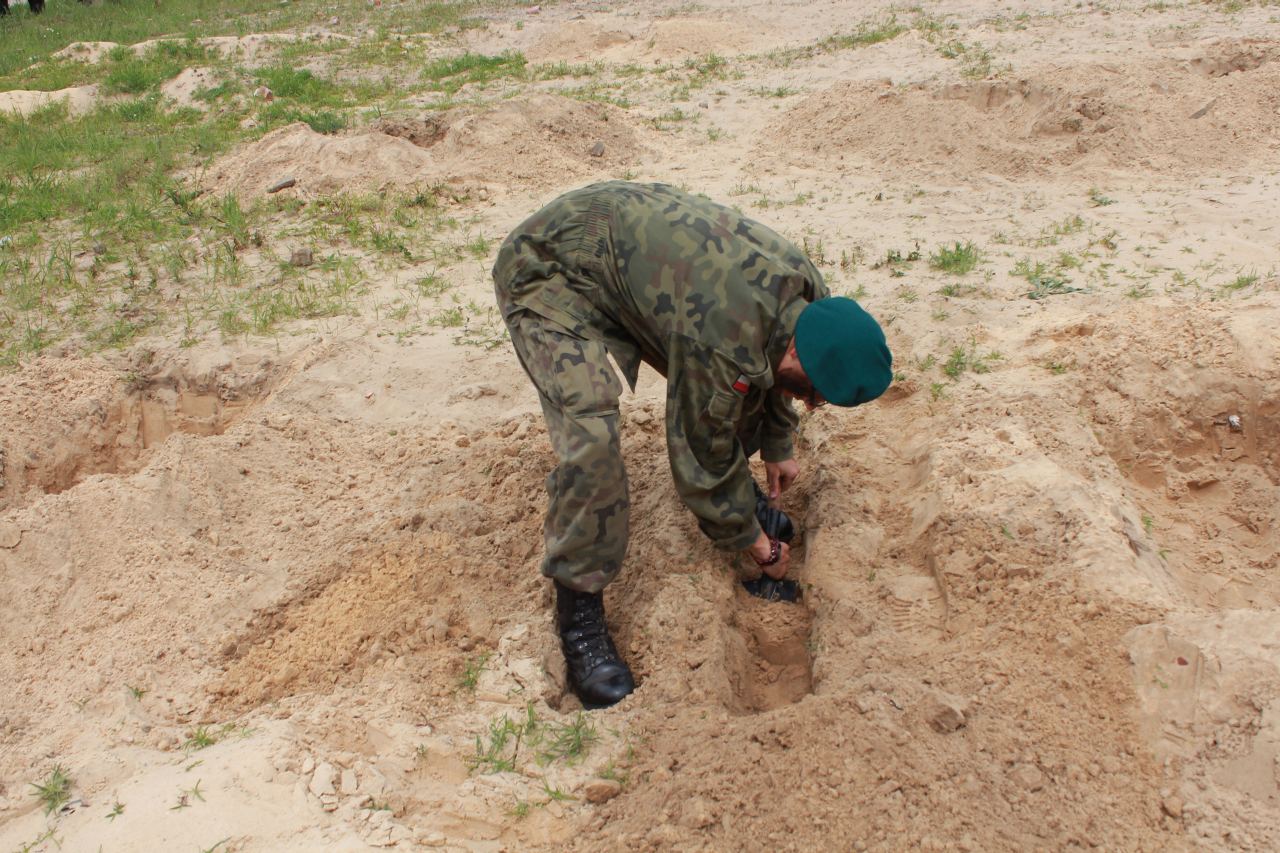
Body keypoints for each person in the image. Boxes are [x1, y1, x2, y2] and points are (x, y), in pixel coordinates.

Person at [492, 181, 892, 708]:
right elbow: (697, 455)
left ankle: (743, 496)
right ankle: (579, 610)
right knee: (592, 440)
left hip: (624, 256)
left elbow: (771, 368)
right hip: (550, 269)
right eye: (811, 393)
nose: (811, 404)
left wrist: (778, 441)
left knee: (745, 382)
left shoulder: (809, 297)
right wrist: (754, 543)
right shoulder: (721, 335)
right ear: (802, 349)